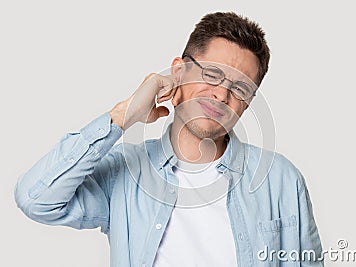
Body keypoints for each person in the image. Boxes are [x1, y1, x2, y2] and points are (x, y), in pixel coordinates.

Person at [14, 11, 324, 267]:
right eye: (212, 75)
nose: (221, 95)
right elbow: (36, 199)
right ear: (179, 71)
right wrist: (124, 116)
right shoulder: (126, 172)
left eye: (240, 88)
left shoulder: (281, 179)